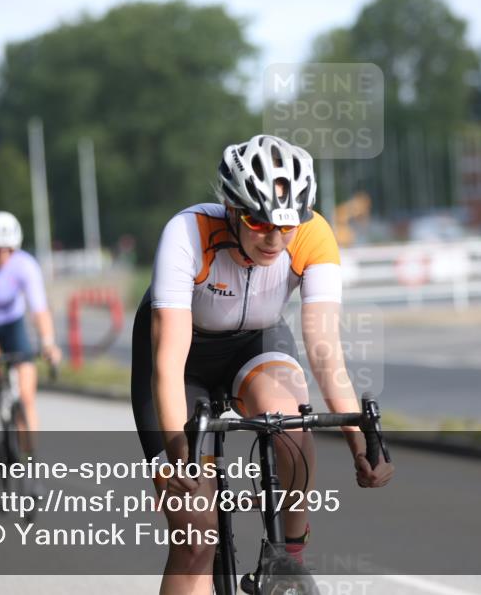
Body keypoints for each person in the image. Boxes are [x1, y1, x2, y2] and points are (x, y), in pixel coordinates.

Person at [131, 134, 394, 594]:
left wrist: (360, 444)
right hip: (183, 362)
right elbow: (169, 365)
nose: (274, 238)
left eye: (287, 225)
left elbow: (326, 351)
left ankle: (289, 556)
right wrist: (180, 460)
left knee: (290, 423)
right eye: (258, 221)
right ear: (231, 208)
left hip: (255, 344)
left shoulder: (314, 236)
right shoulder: (187, 233)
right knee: (195, 538)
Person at [0, 211, 62, 443]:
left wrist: (48, 343)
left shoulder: (25, 265)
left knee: (26, 395)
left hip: (13, 324)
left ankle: (30, 465)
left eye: (10, 249)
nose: (4, 255)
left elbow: (40, 310)